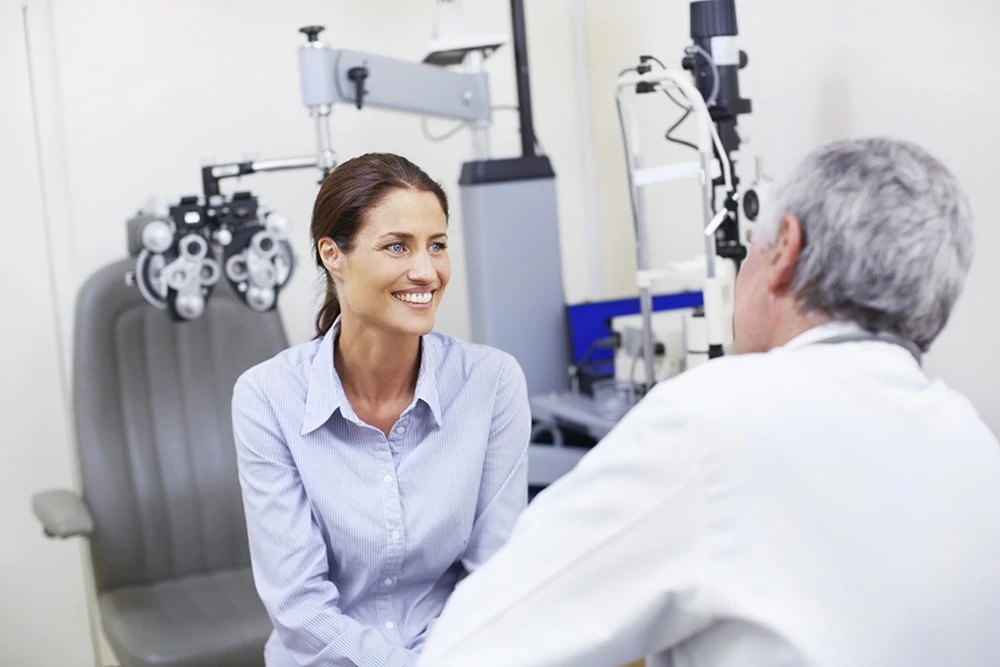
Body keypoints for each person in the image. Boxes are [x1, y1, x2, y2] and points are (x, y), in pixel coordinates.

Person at [416, 137, 1000, 667]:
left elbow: (471, 649)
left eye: (749, 249)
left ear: (784, 251)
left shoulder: (716, 418)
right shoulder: (973, 444)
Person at [231, 152, 532, 667]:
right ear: (333, 256)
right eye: (397, 246)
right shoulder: (267, 397)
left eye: (436, 246)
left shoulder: (492, 383)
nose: (426, 271)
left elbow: (494, 573)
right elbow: (299, 606)